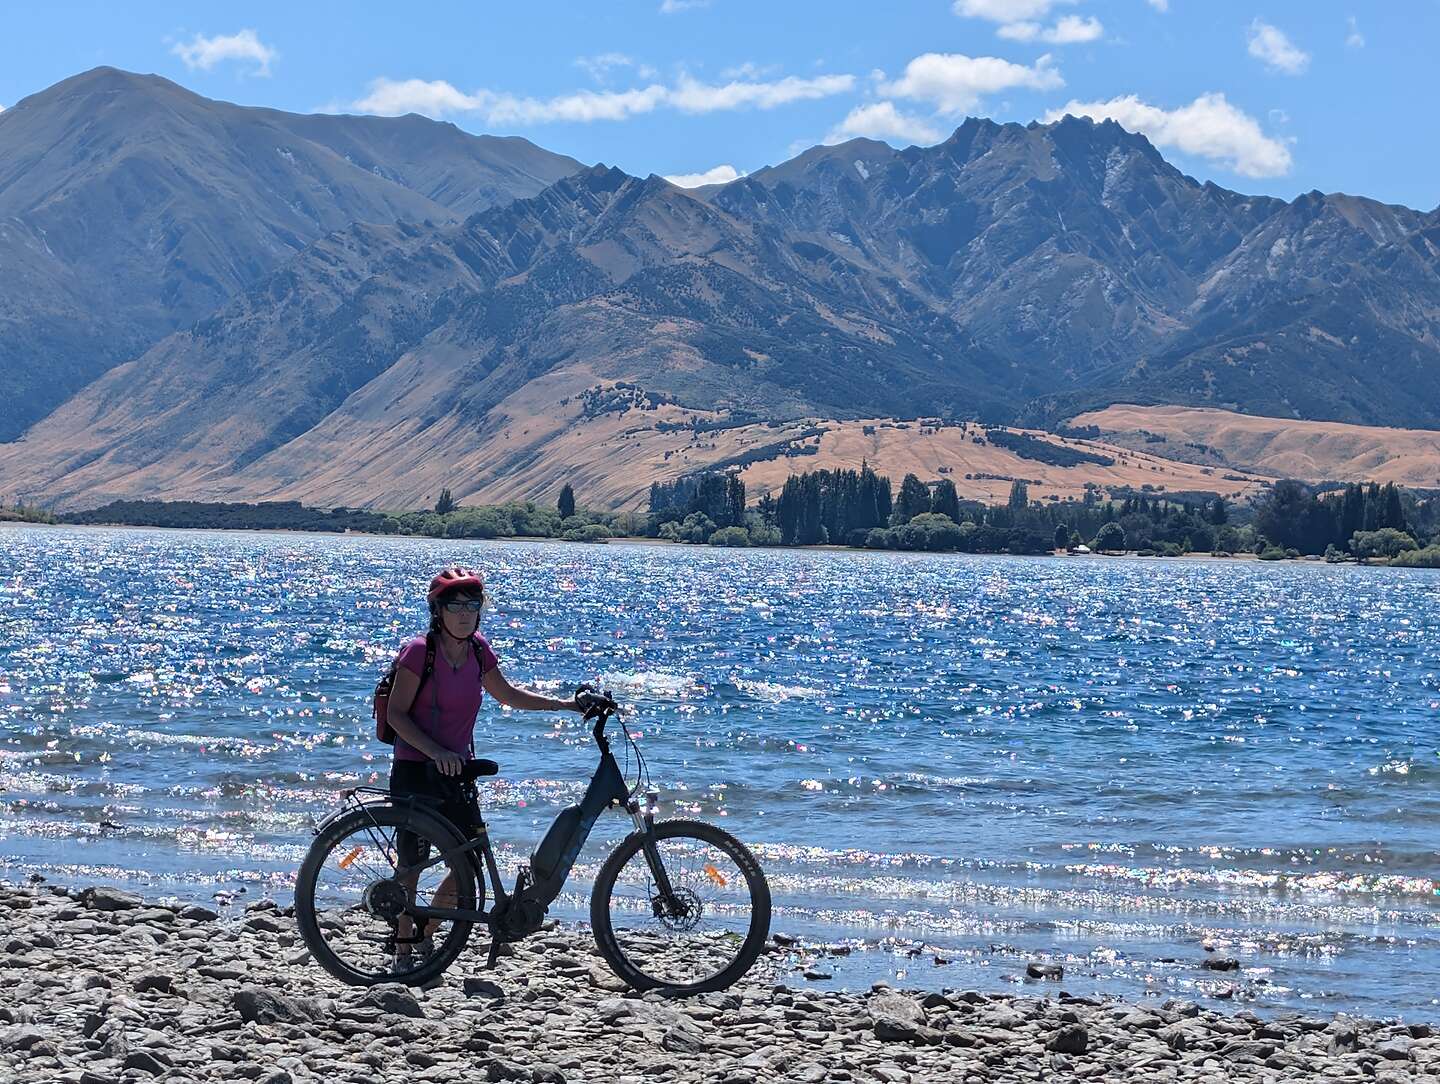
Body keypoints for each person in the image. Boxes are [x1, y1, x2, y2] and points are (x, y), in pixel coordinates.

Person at [385, 566, 581, 961]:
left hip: (458, 771)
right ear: (437, 610)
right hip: (416, 769)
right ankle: (403, 947)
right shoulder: (419, 652)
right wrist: (436, 752)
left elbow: (507, 695)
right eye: (454, 605)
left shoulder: (478, 650)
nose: (463, 613)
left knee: (467, 860)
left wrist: (564, 705)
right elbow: (396, 716)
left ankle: (427, 928)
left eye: (472, 605)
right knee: (413, 863)